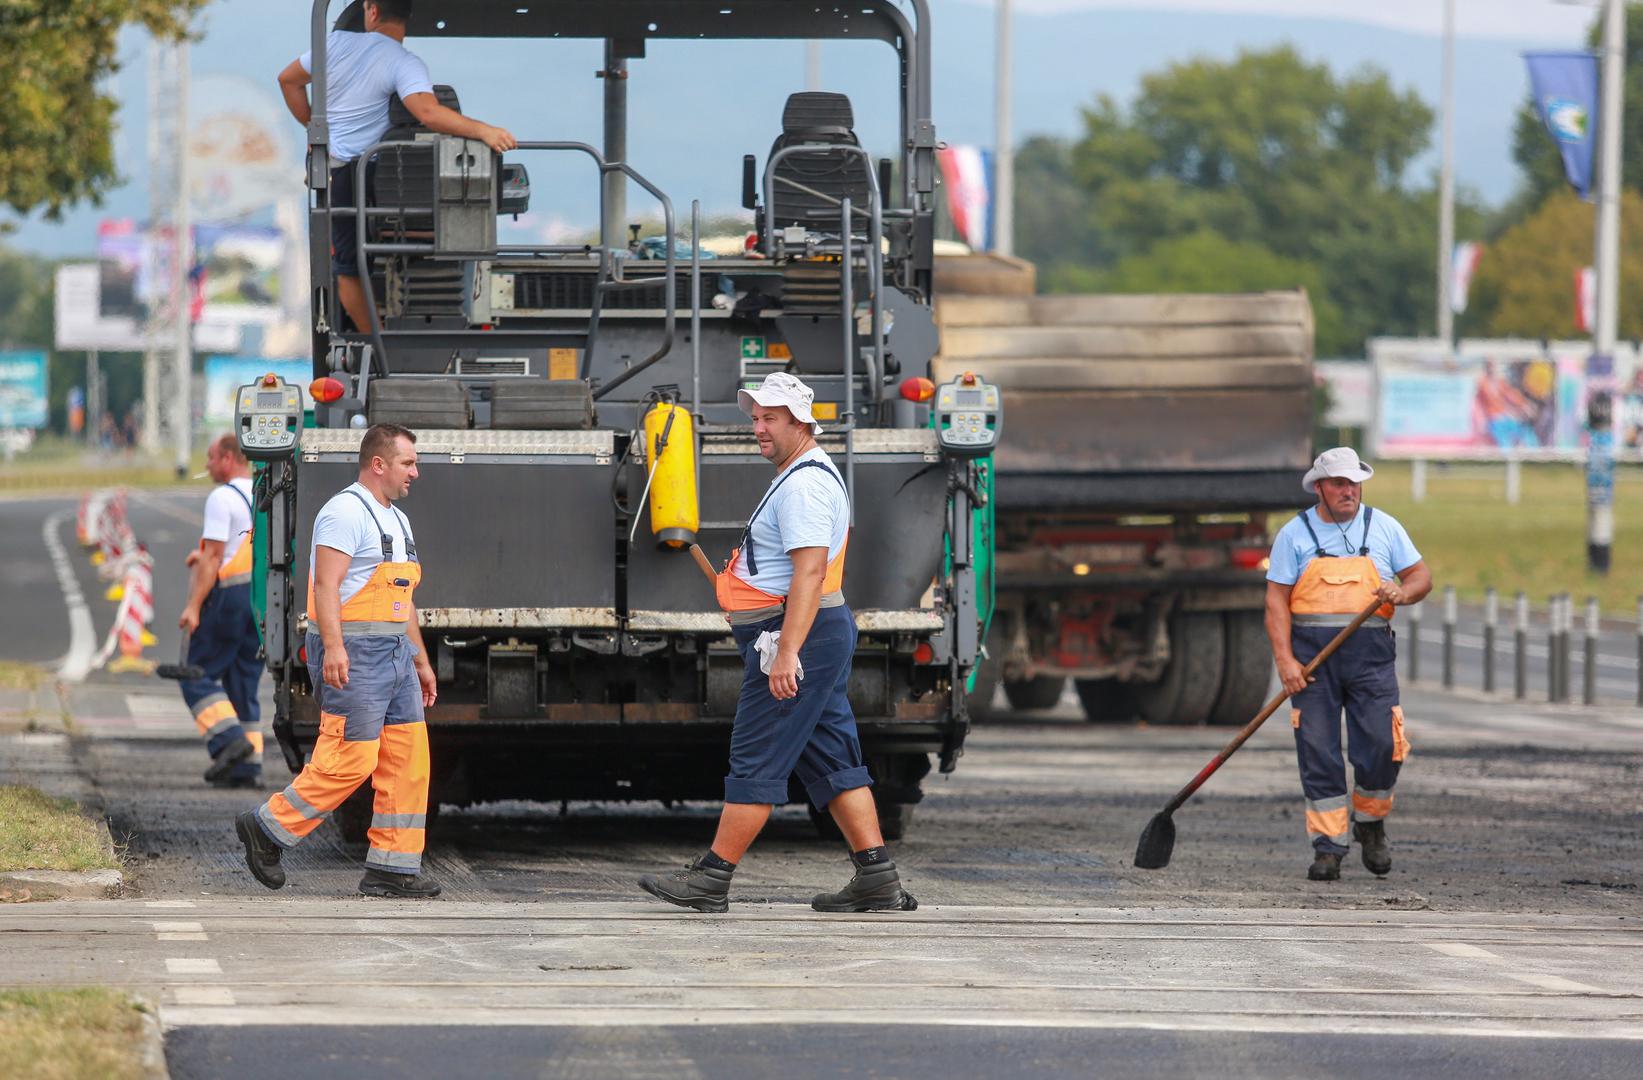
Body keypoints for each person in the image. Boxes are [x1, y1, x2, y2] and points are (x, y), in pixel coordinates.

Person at [638, 372, 917, 914]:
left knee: (758, 752)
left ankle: (712, 878)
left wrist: (786, 651)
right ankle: (877, 877)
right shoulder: (797, 473)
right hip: (807, 635)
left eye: (770, 419)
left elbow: (809, 575)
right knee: (833, 756)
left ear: (801, 422)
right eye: (756, 418)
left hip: (796, 638)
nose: (758, 428)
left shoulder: (807, 485)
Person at [235, 423, 441, 898]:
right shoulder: (344, 512)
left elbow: (402, 599)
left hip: (394, 656)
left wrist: (421, 661)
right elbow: (325, 587)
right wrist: (334, 648)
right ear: (378, 464)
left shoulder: (398, 520)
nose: (416, 472)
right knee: (351, 759)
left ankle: (392, 868)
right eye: (408, 462)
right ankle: (266, 829)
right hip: (356, 654)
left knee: (409, 761)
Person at [276, 0, 517, 334]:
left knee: (348, 268)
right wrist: (485, 132)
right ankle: (384, 339)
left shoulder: (334, 44)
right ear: (407, 18)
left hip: (339, 172)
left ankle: (376, 346)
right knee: (352, 265)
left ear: (372, 11)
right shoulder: (404, 63)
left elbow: (288, 80)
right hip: (372, 176)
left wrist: (316, 130)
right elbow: (428, 113)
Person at [1264, 447, 1432, 882]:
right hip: (1313, 666)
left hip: (1370, 662)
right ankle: (1328, 847)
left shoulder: (1384, 527)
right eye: (1339, 483)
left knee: (1381, 746)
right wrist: (1285, 660)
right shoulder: (1294, 535)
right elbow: (1276, 603)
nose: (1348, 490)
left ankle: (1370, 823)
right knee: (1318, 752)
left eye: (1354, 482)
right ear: (1319, 487)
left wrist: (1403, 593)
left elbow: (1420, 578)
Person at [178, 435, 264, 788]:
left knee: (195, 673)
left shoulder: (222, 497)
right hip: (260, 599)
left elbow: (214, 557)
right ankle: (248, 767)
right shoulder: (266, 492)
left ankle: (230, 741)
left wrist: (193, 607)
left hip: (228, 595)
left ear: (228, 458)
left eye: (211, 458)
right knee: (243, 680)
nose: (207, 466)